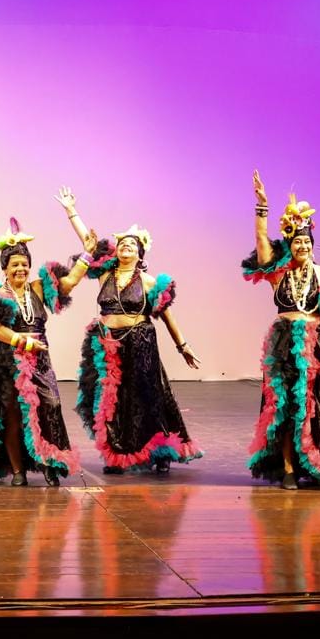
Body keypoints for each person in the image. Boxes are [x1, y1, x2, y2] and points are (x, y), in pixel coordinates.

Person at [55, 187, 202, 475]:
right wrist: (71, 211)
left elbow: (166, 316)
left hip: (141, 342)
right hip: (107, 343)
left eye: (132, 245)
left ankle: (159, 449)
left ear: (140, 252)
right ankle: (117, 452)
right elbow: (90, 242)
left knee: (148, 396)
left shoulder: (149, 282)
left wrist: (183, 346)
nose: (125, 247)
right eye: (123, 244)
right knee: (111, 398)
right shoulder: (105, 274)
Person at [243, 171, 320, 490]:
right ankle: (288, 468)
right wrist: (262, 208)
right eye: (296, 241)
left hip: (315, 345)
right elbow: (261, 247)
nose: (302, 246)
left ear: (312, 244)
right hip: (282, 346)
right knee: (284, 407)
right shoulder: (279, 275)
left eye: (306, 242)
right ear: (290, 245)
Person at [0, 217, 94, 486]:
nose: (21, 269)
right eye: (15, 265)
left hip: (40, 361)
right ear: (5, 268)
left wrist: (86, 255)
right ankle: (17, 471)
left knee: (50, 407)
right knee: (12, 416)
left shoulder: (37, 288)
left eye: (25, 264)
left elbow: (69, 283)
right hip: (7, 363)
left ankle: (49, 461)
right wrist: (23, 342)